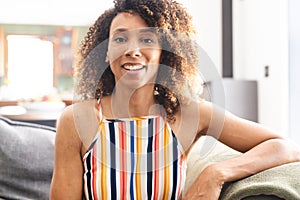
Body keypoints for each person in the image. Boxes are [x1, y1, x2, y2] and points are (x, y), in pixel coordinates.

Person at [50, 0, 300, 199]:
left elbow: (285, 146)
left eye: (147, 39)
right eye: (120, 38)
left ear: (164, 53)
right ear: (105, 52)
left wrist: (216, 173)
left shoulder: (191, 115)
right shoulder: (76, 120)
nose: (132, 50)